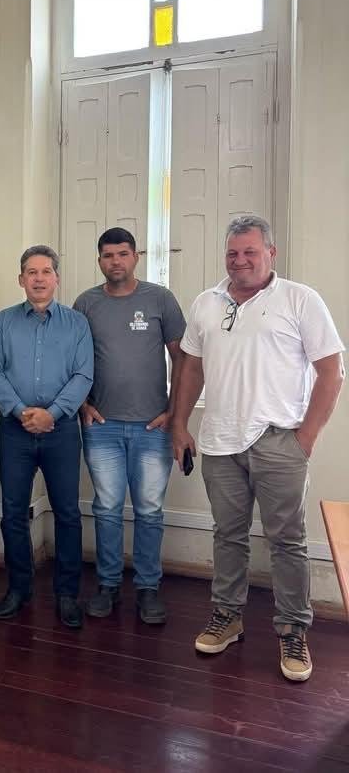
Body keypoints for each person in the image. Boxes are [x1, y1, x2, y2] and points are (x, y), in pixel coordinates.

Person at [172, 214, 344, 682]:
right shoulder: (207, 303)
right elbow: (191, 369)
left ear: (271, 252)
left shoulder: (299, 299)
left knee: (287, 541)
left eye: (250, 252)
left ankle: (293, 631)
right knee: (227, 535)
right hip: (219, 441)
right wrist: (180, 425)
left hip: (279, 441)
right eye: (232, 253)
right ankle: (227, 616)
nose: (240, 260)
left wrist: (305, 438)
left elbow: (331, 372)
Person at [74, 227, 185, 624]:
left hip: (153, 428)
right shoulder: (86, 303)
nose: (115, 261)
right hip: (101, 425)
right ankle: (107, 584)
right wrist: (82, 404)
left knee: (149, 510)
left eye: (122, 253)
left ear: (136, 257)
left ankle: (148, 587)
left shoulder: (160, 299)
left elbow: (183, 358)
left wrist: (175, 411)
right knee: (106, 508)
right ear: (99, 260)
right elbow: (72, 358)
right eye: (108, 255)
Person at [0, 246, 93, 628]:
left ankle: (67, 594)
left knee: (67, 513)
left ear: (56, 278)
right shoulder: (2, 323)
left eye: (46, 271)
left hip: (61, 431)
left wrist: (53, 413)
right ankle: (19, 589)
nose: (39, 278)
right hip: (14, 431)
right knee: (13, 512)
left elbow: (83, 375)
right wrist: (21, 412)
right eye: (31, 272)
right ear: (21, 279)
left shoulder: (77, 324)